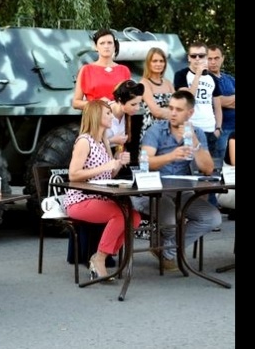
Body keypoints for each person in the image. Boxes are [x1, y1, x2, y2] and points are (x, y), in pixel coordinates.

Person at [130, 90, 222, 271]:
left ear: (190, 113)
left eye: (178, 110)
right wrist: (171, 156)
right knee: (171, 220)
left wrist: (194, 141)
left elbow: (208, 168)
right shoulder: (156, 130)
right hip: (152, 192)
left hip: (182, 192)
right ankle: (166, 247)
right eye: (170, 108)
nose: (172, 113)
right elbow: (145, 162)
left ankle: (167, 251)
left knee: (212, 218)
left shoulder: (197, 133)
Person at [63, 100, 139, 279]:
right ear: (96, 116)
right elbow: (73, 175)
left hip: (101, 197)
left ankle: (99, 255)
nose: (112, 116)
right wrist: (105, 167)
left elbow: (108, 175)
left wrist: (118, 162)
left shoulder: (103, 141)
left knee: (134, 218)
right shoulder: (84, 141)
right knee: (121, 215)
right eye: (108, 113)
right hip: (80, 200)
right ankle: (100, 259)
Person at [173, 41, 222, 158]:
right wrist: (198, 75)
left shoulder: (212, 78)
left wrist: (218, 129)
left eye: (201, 55)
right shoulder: (181, 75)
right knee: (188, 164)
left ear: (206, 57)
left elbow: (217, 106)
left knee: (210, 166)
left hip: (210, 130)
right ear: (188, 58)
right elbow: (187, 99)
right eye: (193, 56)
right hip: (190, 129)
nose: (197, 59)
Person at [72, 28, 131, 110]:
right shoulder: (86, 70)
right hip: (94, 116)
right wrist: (97, 104)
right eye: (102, 43)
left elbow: (129, 100)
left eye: (109, 43)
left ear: (114, 46)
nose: (106, 46)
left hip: (118, 116)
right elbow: (76, 103)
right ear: (96, 47)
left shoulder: (124, 70)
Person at [138, 47, 175, 141]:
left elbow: (178, 105)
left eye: (161, 61)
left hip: (171, 130)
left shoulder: (168, 83)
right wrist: (175, 114)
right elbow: (156, 112)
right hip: (152, 131)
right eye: (154, 61)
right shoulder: (144, 83)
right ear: (148, 63)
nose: (158, 64)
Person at [207, 44, 235, 162]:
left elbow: (220, 101)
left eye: (216, 58)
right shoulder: (205, 80)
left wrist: (223, 101)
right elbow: (215, 102)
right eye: (210, 58)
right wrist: (224, 101)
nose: (213, 62)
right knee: (221, 166)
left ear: (222, 58)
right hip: (221, 131)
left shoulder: (230, 79)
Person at [106, 79, 145, 155]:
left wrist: (119, 156)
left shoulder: (128, 115)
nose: (137, 108)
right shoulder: (102, 112)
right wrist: (111, 141)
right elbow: (91, 144)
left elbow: (120, 145)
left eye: (139, 104)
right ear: (120, 101)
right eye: (133, 104)